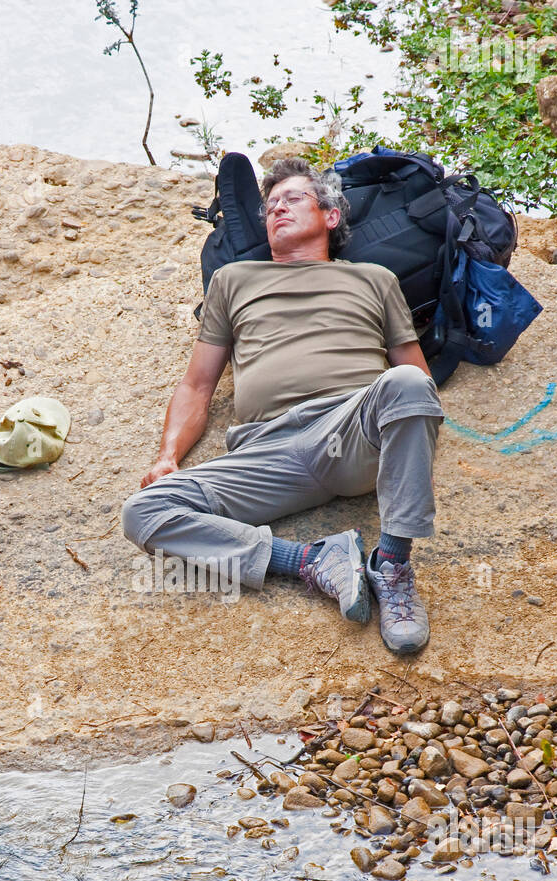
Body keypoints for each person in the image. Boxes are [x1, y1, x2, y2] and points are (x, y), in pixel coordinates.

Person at [121, 156, 444, 653]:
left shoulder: (374, 279)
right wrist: (168, 456)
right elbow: (196, 386)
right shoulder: (232, 280)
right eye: (270, 205)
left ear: (330, 216)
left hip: (349, 430)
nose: (277, 209)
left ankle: (393, 564)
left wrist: (409, 440)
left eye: (292, 199)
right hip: (265, 451)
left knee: (406, 384)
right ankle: (315, 560)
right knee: (145, 511)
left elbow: (417, 377)